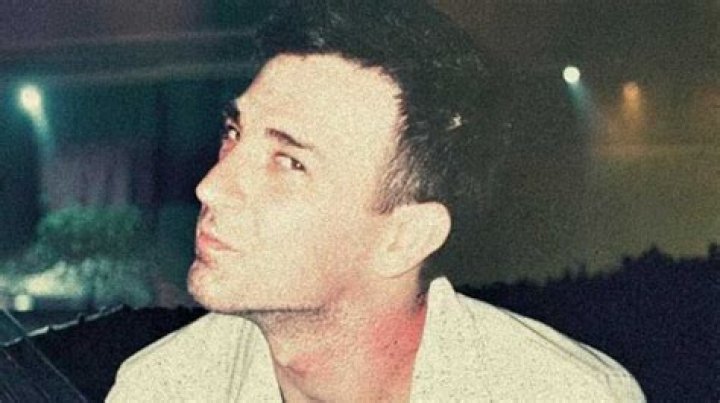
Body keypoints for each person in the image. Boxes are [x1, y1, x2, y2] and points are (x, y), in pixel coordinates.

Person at [107, 1, 645, 401]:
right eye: (234, 132)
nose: (211, 186)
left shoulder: (563, 393)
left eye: (289, 161)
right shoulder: (164, 387)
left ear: (404, 238)